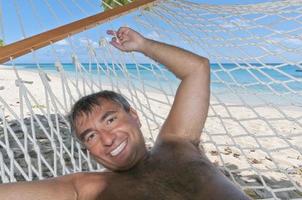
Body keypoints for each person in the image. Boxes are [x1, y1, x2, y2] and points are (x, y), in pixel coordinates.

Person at [0, 27, 250, 200]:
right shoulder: (85, 187)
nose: (107, 139)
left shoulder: (178, 143)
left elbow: (197, 69)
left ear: (134, 116)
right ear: (87, 150)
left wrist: (143, 45)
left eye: (110, 120)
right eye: (91, 137)